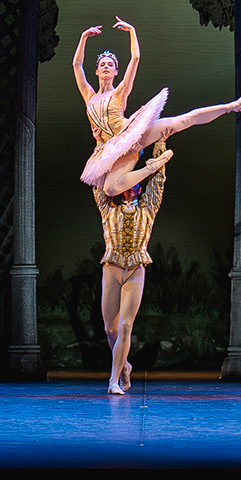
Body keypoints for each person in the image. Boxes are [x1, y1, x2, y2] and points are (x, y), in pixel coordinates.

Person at [73, 18, 241, 197]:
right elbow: (77, 65)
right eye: (102, 64)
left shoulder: (120, 92)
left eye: (110, 65)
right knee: (110, 189)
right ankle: (153, 166)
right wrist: (83, 37)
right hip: (111, 148)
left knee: (184, 120)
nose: (106, 67)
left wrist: (132, 32)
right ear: (96, 71)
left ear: (115, 72)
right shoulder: (89, 96)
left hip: (131, 134)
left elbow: (135, 58)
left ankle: (233, 106)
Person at [94, 145, 173, 395]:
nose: (128, 188)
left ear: (138, 187)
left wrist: (160, 145)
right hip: (112, 268)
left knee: (126, 326)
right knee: (110, 329)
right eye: (124, 183)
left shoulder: (147, 209)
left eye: (133, 183)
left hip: (136, 269)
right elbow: (99, 179)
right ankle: (124, 365)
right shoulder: (108, 208)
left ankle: (114, 380)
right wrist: (106, 145)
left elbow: (158, 181)